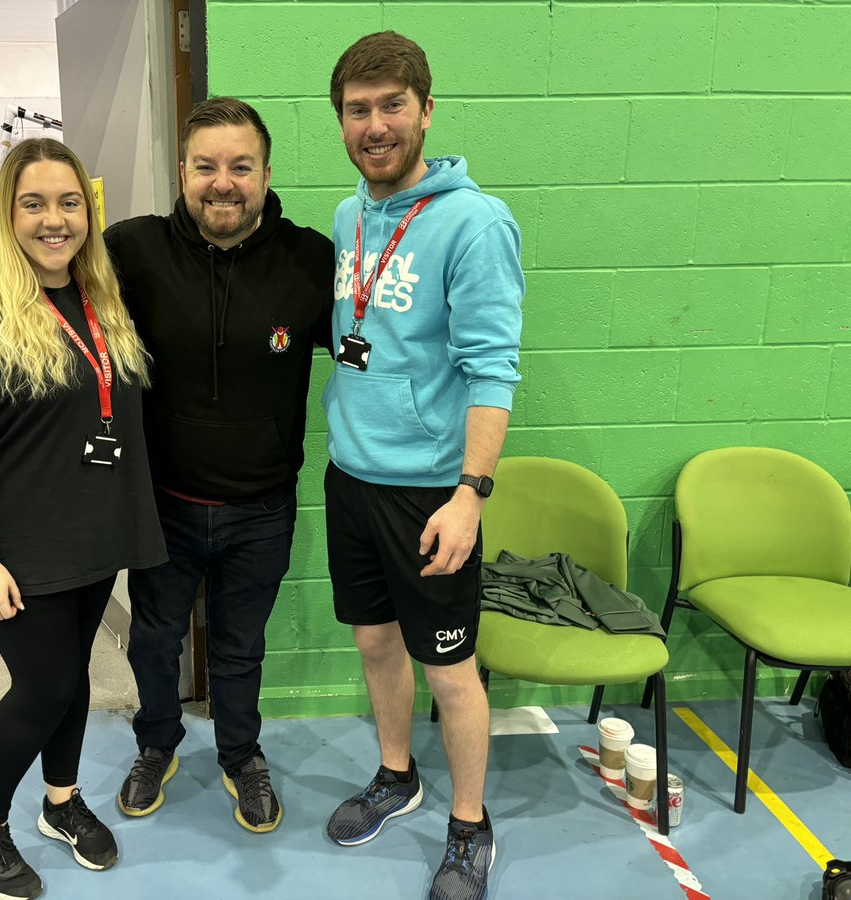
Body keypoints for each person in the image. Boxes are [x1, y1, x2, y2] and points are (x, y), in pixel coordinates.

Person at [0, 137, 166, 900]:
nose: (54, 220)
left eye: (69, 204)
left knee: (71, 681)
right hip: (15, 548)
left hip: (92, 534)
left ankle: (60, 803)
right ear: (8, 213)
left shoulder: (99, 300)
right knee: (43, 686)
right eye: (34, 204)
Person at [321, 32, 524, 900]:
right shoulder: (344, 217)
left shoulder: (475, 222)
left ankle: (470, 826)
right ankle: (396, 775)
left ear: (426, 110)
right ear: (341, 122)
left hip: (432, 496)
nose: (376, 125)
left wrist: (469, 495)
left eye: (392, 105)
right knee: (375, 642)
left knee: (450, 667)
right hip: (351, 477)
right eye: (358, 110)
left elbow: (494, 368)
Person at [103, 97, 334, 833]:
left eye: (240, 166)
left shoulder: (310, 260)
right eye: (206, 166)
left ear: (266, 174)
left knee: (240, 646)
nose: (222, 182)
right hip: (163, 502)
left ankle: (241, 755)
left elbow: (381, 353)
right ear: (182, 172)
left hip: (262, 506)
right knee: (153, 639)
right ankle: (156, 744)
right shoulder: (129, 251)